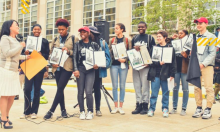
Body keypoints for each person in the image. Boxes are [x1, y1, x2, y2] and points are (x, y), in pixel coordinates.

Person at [44, 19, 77, 120]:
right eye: (59, 29)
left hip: (67, 67)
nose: (61, 31)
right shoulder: (55, 39)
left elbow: (76, 53)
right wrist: (52, 63)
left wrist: (68, 51)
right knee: (60, 90)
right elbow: (51, 54)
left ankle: (51, 111)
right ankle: (63, 110)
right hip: (57, 68)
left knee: (60, 88)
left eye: (62, 29)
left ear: (67, 28)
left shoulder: (73, 38)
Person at [0, 20, 29, 129]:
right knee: (5, 94)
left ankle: (6, 116)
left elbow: (15, 56)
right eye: (16, 25)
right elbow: (7, 53)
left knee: (12, 95)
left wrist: (25, 57)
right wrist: (21, 46)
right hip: (5, 70)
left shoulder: (15, 40)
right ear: (9, 27)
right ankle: (3, 118)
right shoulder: (5, 38)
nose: (18, 26)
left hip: (14, 71)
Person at [20, 24, 50, 119]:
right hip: (29, 66)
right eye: (35, 29)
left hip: (39, 67)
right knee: (27, 89)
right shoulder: (27, 40)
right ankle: (26, 111)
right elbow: (22, 53)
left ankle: (34, 112)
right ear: (32, 30)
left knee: (37, 90)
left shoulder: (44, 41)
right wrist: (25, 52)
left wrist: (42, 54)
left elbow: (47, 54)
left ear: (41, 30)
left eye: (38, 29)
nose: (36, 31)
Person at [147, 30, 176, 118]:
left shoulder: (170, 48)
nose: (158, 38)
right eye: (157, 36)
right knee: (154, 93)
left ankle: (165, 109)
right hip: (155, 74)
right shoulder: (154, 48)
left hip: (166, 75)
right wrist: (158, 63)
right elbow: (150, 62)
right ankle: (151, 109)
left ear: (165, 38)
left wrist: (172, 74)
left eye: (160, 36)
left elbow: (173, 63)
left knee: (165, 93)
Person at [73, 26, 100, 120]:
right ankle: (82, 111)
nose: (82, 34)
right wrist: (75, 69)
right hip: (80, 69)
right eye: (81, 32)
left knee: (88, 91)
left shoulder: (94, 45)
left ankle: (90, 111)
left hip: (91, 70)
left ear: (88, 33)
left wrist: (97, 65)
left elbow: (99, 57)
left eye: (84, 32)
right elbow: (75, 58)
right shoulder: (77, 44)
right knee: (80, 91)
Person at [192, 17, 216, 119]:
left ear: (206, 24)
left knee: (208, 88)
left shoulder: (212, 37)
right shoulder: (195, 37)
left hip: (207, 66)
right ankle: (199, 107)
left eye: (201, 23)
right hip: (196, 66)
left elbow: (212, 53)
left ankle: (208, 109)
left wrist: (203, 64)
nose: (198, 25)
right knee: (197, 87)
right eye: (197, 23)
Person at [131, 21, 156, 115]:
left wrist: (149, 63)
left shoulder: (150, 38)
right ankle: (138, 104)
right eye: (139, 27)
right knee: (137, 86)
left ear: (146, 27)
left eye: (142, 27)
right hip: (136, 65)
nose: (140, 28)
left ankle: (145, 105)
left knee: (145, 86)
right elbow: (131, 51)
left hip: (145, 65)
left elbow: (154, 51)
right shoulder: (134, 38)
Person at [109, 23, 132, 115]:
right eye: (115, 28)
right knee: (114, 86)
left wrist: (125, 60)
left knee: (122, 86)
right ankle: (115, 106)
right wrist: (112, 47)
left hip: (123, 65)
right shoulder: (112, 40)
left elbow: (130, 53)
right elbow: (109, 53)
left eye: (117, 28)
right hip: (114, 65)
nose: (115, 30)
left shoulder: (127, 40)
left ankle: (121, 106)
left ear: (122, 29)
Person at [88, 26, 111, 116]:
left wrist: (101, 64)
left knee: (97, 89)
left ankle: (98, 109)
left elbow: (108, 58)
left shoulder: (102, 43)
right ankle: (90, 109)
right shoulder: (86, 42)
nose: (90, 35)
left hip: (98, 70)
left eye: (91, 33)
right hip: (88, 69)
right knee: (88, 90)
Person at [169, 30, 190, 116]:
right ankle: (174, 107)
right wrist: (171, 38)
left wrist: (186, 56)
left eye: (182, 33)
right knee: (175, 88)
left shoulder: (189, 44)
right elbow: (166, 45)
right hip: (176, 69)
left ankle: (184, 108)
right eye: (179, 33)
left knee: (185, 89)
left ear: (186, 35)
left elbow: (192, 57)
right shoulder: (175, 43)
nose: (179, 35)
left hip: (184, 70)